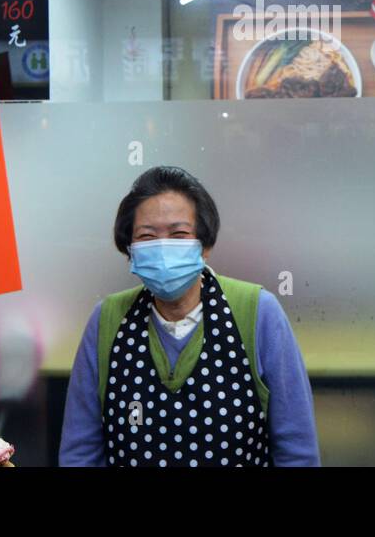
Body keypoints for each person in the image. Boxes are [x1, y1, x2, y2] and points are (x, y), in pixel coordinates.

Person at [59, 166, 320, 466]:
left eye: (179, 233)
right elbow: (81, 452)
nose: (162, 247)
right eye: (146, 236)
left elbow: (296, 449)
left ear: (205, 245)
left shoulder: (258, 312)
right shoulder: (107, 319)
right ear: (129, 249)